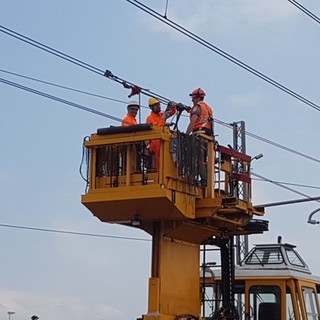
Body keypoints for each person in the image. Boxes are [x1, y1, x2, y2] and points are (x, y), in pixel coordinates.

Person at [186, 88, 214, 187]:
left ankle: (197, 179)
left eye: (193, 98)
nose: (192, 100)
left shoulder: (197, 107)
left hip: (199, 135)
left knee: (196, 158)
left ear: (197, 98)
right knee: (203, 159)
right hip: (207, 136)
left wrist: (186, 134)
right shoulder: (207, 107)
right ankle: (205, 179)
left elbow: (193, 122)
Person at [146, 97, 176, 168]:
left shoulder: (161, 114)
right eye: (156, 105)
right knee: (159, 163)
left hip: (163, 140)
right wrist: (163, 119)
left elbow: (172, 112)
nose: (158, 106)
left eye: (158, 104)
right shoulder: (150, 118)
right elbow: (157, 130)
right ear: (151, 107)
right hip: (155, 142)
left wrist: (173, 106)